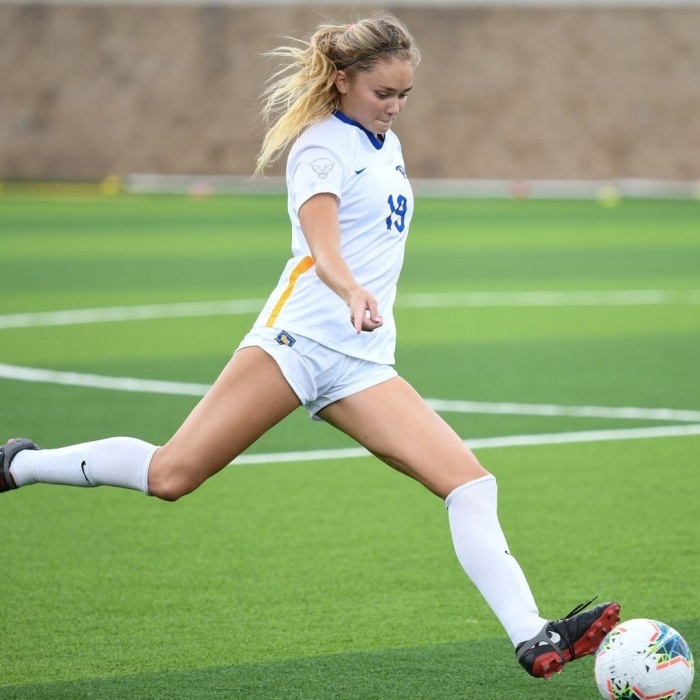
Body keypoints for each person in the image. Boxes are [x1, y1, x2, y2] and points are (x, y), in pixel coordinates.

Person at [0, 11, 619, 680]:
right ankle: (19, 465)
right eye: (383, 93)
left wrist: (361, 305)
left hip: (361, 362)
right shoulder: (321, 146)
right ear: (344, 79)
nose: (395, 106)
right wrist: (350, 289)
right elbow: (322, 244)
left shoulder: (386, 143)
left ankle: (533, 636)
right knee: (172, 476)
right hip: (296, 342)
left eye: (404, 94)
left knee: (470, 485)